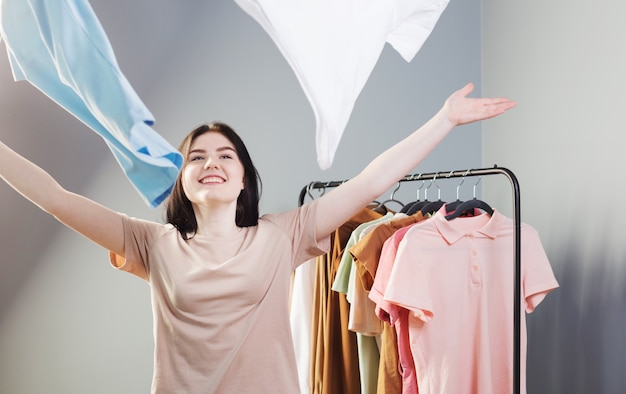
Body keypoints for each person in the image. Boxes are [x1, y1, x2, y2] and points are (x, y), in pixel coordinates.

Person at [0, 82, 515, 393]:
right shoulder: (151, 244)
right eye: (196, 157)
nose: (210, 163)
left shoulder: (281, 235)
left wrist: (444, 120)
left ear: (244, 177)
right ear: (181, 179)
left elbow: (369, 182)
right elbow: (55, 196)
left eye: (226, 155)